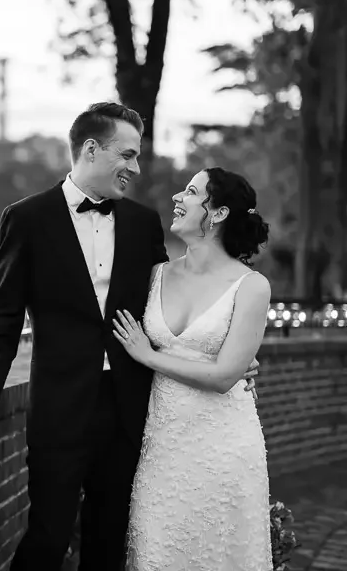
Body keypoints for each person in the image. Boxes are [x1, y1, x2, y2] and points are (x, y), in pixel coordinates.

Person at [0, 102, 258, 571]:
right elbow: (2, 313)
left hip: (132, 408)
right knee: (48, 536)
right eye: (127, 155)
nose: (136, 167)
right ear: (91, 149)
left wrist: (230, 354)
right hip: (60, 407)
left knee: (109, 543)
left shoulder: (143, 223)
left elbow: (162, 309)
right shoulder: (27, 218)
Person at [112, 167, 272, 570]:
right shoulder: (155, 275)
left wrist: (147, 355)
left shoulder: (251, 286)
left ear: (217, 214)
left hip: (224, 448)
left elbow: (223, 377)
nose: (176, 199)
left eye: (191, 192)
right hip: (162, 448)